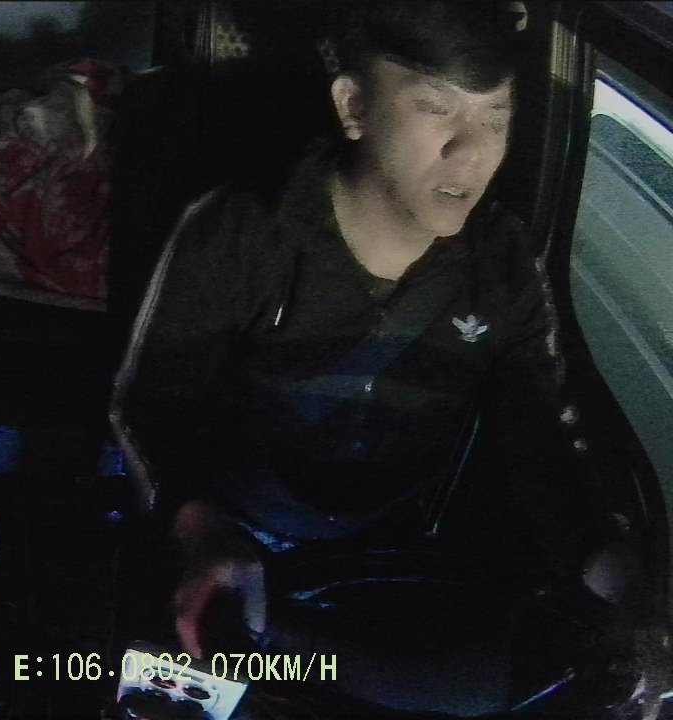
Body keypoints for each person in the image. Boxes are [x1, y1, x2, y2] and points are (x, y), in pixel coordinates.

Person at [109, 1, 652, 713]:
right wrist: (200, 526)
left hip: (386, 552)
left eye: (495, 116)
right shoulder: (243, 234)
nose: (472, 152)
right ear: (355, 106)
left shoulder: (502, 265)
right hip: (226, 538)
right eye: (435, 109)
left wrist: (629, 587)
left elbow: (540, 441)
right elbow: (150, 407)